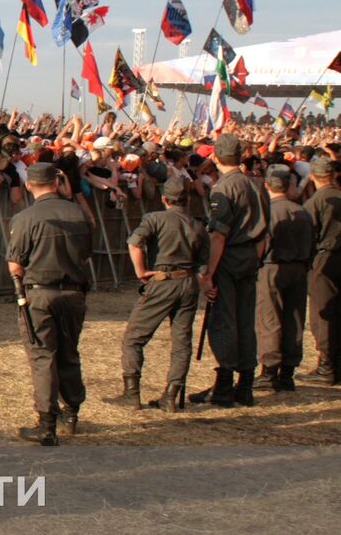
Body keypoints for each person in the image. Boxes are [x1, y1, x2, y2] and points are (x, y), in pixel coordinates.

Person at [6, 162, 94, 445]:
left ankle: (46, 423)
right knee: (69, 351)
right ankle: (71, 412)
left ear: (29, 185)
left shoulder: (25, 218)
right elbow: (87, 252)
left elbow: (15, 265)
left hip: (40, 293)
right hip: (74, 292)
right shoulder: (79, 214)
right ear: (57, 183)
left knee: (43, 356)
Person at [189, 134, 270, 407]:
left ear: (215, 157)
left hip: (228, 258)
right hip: (250, 257)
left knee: (224, 321)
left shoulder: (223, 188)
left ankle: (224, 386)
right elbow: (263, 235)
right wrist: (255, 260)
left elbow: (218, 236)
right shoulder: (257, 185)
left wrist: (208, 274)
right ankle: (245, 384)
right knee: (246, 321)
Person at [117, 176, 208, 410]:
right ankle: (171, 395)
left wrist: (140, 271)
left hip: (162, 280)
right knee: (181, 342)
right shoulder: (198, 224)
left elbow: (135, 242)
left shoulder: (154, 218)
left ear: (164, 198)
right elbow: (202, 265)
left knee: (134, 338)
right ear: (186, 199)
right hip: (188, 282)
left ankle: (131, 394)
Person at [255, 164, 313, 391]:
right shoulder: (303, 211)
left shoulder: (268, 212)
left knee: (269, 319)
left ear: (267, 185)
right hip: (299, 268)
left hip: (272, 267)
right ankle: (288, 371)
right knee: (294, 318)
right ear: (289, 186)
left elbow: (262, 244)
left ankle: (269, 371)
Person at [302, 155, 341, 385]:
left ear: (313, 175)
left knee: (322, 312)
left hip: (323, 258)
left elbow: (308, 236)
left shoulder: (315, 202)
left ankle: (326, 365)